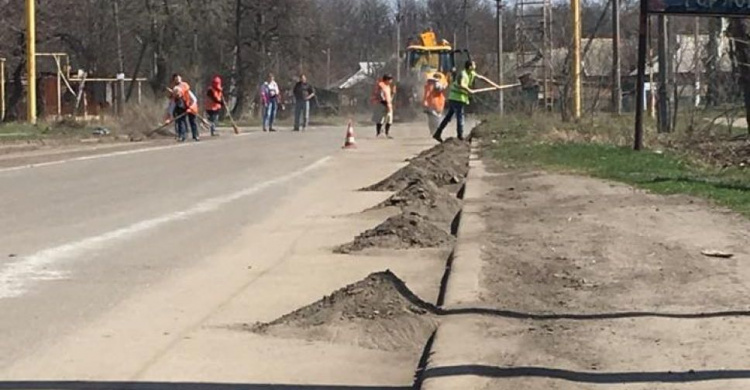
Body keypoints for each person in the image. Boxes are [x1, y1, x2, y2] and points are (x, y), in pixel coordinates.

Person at [433, 60, 496, 143]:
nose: (475, 65)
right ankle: (460, 136)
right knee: (460, 116)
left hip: (458, 97)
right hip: (456, 98)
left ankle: (438, 133)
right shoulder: (463, 74)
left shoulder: (471, 73)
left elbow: (481, 78)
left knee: (448, 117)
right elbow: (462, 85)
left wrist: (494, 85)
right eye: (474, 65)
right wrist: (469, 90)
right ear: (470, 67)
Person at [170, 73, 200, 142]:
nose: (178, 96)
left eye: (178, 94)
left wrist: (190, 108)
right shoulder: (176, 98)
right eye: (176, 95)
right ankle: (182, 136)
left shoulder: (187, 92)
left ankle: (195, 135)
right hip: (182, 108)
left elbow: (195, 100)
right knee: (181, 121)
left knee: (192, 121)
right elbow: (172, 106)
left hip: (191, 106)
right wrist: (170, 117)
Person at [371, 74, 394, 138]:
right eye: (390, 80)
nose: (391, 81)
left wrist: (393, 93)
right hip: (382, 104)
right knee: (380, 119)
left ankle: (387, 133)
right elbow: (381, 95)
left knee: (389, 119)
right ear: (387, 80)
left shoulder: (387, 86)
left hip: (388, 104)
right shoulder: (381, 86)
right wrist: (384, 102)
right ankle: (378, 133)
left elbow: (388, 96)